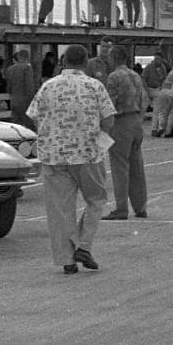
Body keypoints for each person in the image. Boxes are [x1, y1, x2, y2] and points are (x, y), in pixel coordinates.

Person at [26, 43, 115, 274]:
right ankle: (84, 246)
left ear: (63, 62)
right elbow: (108, 120)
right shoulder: (94, 86)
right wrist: (100, 140)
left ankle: (67, 260)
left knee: (60, 210)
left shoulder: (47, 86)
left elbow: (35, 117)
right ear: (86, 62)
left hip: (54, 155)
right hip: (88, 154)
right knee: (96, 200)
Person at [103, 46, 150, 219]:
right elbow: (144, 99)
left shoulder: (114, 77)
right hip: (137, 121)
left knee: (120, 167)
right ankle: (140, 206)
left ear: (114, 58)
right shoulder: (135, 75)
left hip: (121, 122)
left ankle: (121, 208)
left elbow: (110, 104)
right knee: (137, 166)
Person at [4, 49, 38, 131]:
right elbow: (29, 86)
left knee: (16, 125)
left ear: (18, 57)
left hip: (14, 101)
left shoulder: (10, 69)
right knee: (29, 126)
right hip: (25, 101)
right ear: (28, 57)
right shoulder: (27, 68)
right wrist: (33, 101)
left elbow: (8, 88)